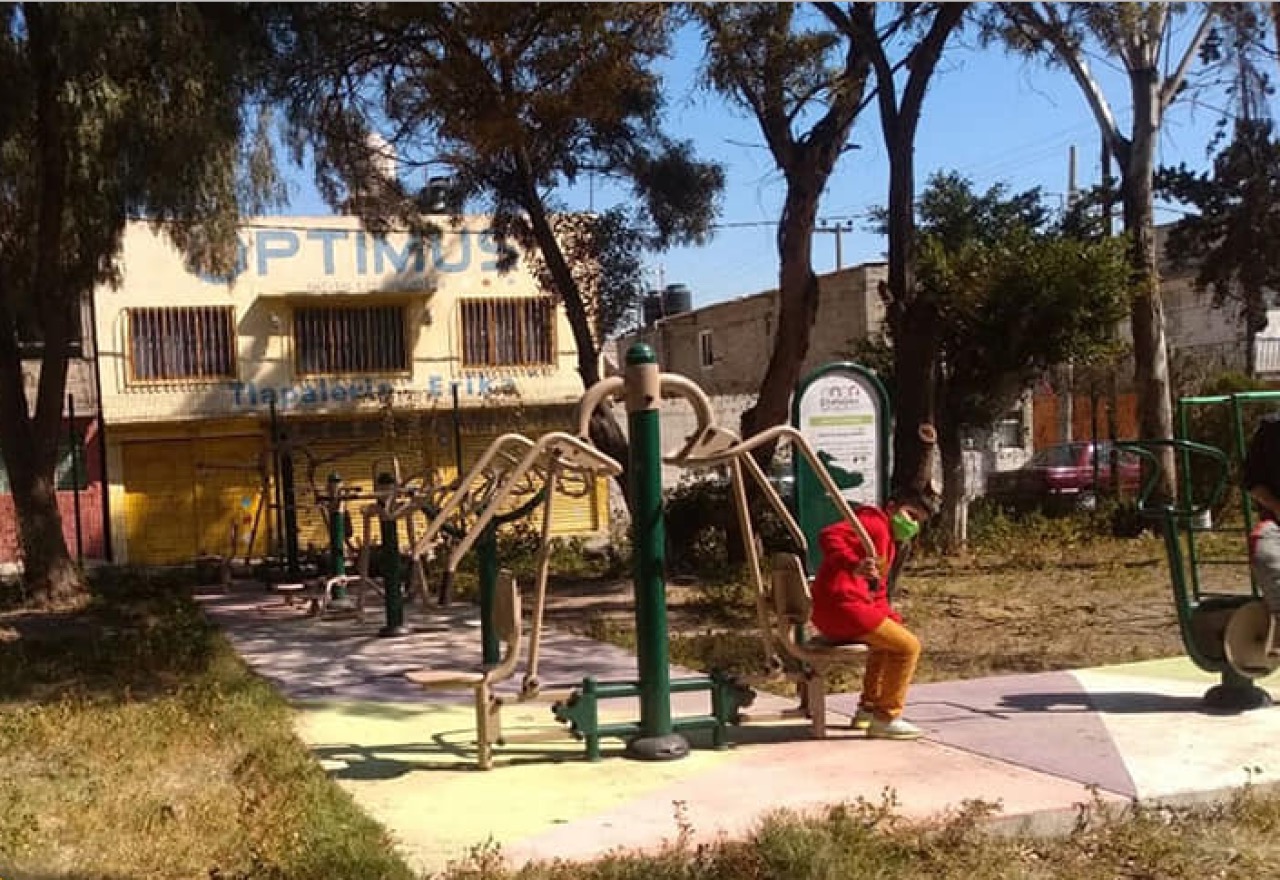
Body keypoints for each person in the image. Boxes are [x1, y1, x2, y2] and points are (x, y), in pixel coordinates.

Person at [810, 484, 940, 740]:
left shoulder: (888, 540)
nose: (912, 524)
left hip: (842, 607)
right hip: (842, 605)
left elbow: (877, 592)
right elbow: (829, 535)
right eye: (910, 515)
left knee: (888, 644)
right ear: (892, 507)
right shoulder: (873, 523)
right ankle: (887, 717)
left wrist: (891, 620)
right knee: (908, 648)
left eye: (918, 522)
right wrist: (853, 564)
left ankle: (867, 710)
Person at [1243, 414, 1280, 655]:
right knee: (1265, 551)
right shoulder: (1270, 430)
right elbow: (1252, 482)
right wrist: (1277, 508)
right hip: (1276, 524)